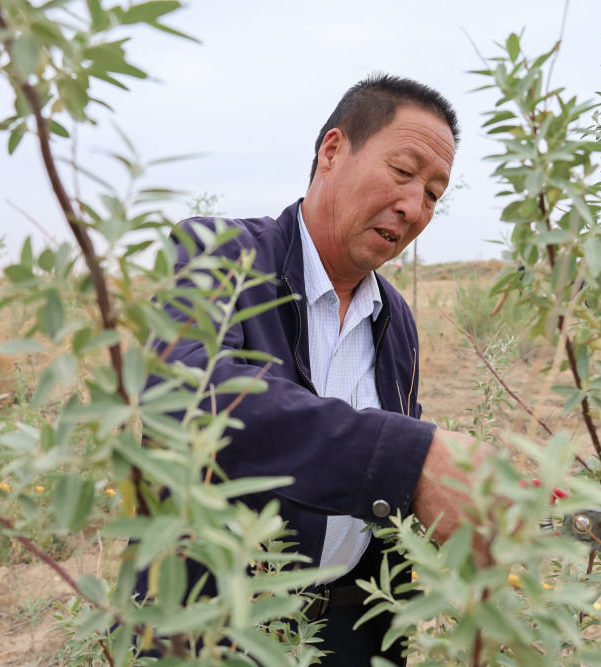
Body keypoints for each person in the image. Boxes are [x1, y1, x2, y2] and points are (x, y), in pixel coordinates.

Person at [140, 73, 484, 665]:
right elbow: (180, 400)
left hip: (351, 632)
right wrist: (406, 456)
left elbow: (392, 500)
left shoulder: (395, 317)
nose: (413, 206)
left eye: (433, 194)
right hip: (215, 625)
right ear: (332, 151)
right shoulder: (220, 255)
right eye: (403, 173)